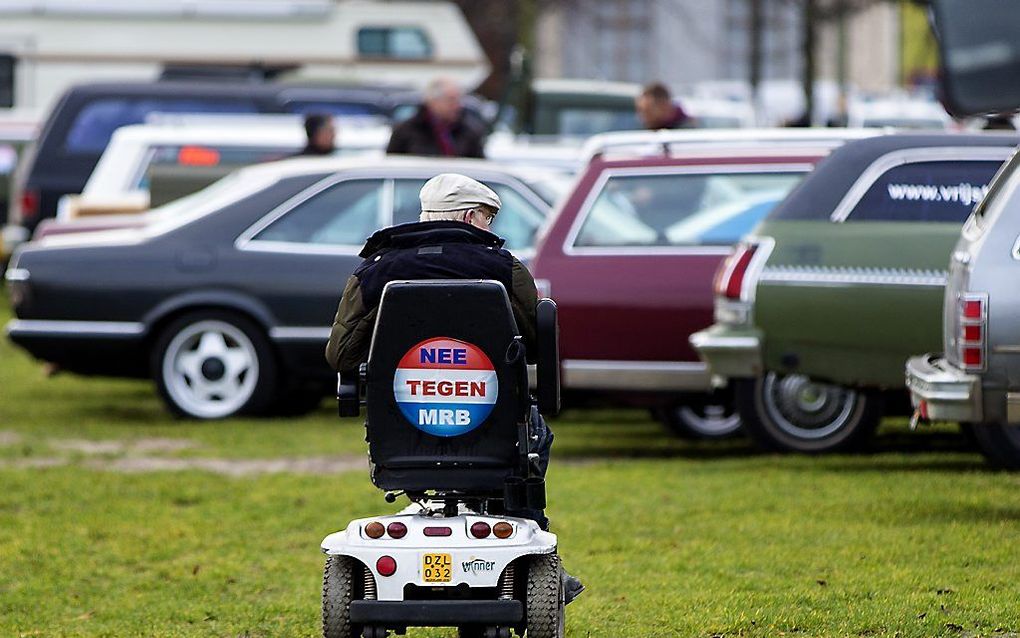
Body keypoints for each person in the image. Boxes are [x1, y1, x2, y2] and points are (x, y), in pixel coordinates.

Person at [325, 173, 583, 603]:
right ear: (469, 217)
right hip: (493, 432)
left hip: (404, 434)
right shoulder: (504, 269)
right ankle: (529, 530)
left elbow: (341, 356)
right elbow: (535, 346)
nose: (491, 229)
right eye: (487, 219)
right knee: (532, 431)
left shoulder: (374, 271)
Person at [386, 78, 486, 158]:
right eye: (451, 100)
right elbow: (392, 167)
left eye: (458, 100)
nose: (457, 106)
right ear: (433, 101)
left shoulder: (470, 132)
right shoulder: (405, 131)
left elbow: (480, 170)